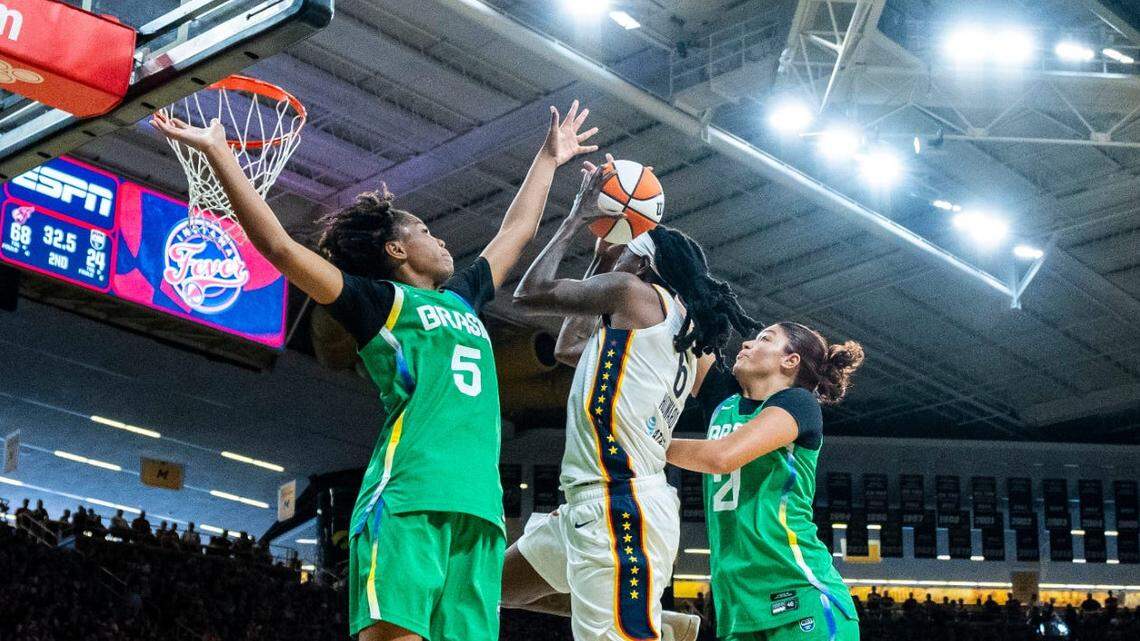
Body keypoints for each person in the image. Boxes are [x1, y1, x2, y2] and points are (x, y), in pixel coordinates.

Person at [154, 98, 599, 641]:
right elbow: (279, 247)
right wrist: (222, 154)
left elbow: (516, 231)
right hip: (408, 495)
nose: (439, 238)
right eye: (425, 231)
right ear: (395, 248)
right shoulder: (376, 301)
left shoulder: (464, 298)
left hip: (480, 510)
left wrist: (549, 159)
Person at [504, 158, 758, 641]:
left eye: (623, 252)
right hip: (597, 499)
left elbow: (528, 292)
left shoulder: (635, 295)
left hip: (620, 504)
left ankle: (641, 617)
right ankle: (655, 619)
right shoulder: (679, 335)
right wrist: (602, 257)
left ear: (641, 263)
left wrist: (577, 216)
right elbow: (568, 349)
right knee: (490, 585)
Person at [666, 322, 865, 641]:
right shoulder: (722, 399)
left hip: (801, 599)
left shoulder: (798, 403)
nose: (746, 343)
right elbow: (675, 329)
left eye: (764, 339)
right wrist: (687, 287)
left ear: (791, 361)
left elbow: (722, 456)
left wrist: (646, 443)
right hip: (738, 610)